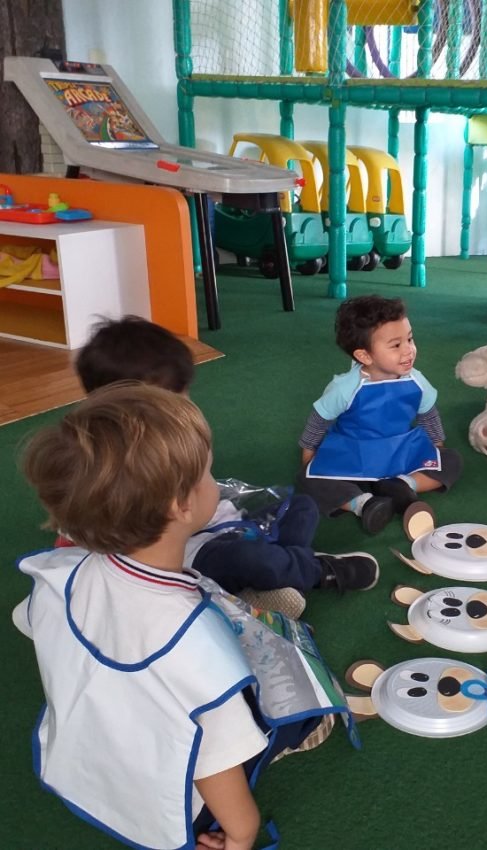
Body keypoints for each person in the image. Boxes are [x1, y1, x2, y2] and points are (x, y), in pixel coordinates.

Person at [15, 384, 329, 850]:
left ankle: (257, 607)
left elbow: (27, 620)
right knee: (291, 698)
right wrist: (241, 832)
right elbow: (214, 757)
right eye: (207, 474)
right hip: (160, 800)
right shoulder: (192, 641)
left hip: (78, 764)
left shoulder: (60, 572)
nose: (215, 481)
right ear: (180, 507)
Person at [73, 316, 379, 618]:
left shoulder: (175, 436)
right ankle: (311, 571)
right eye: (173, 400)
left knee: (303, 507)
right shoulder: (113, 465)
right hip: (191, 553)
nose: (187, 407)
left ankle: (279, 572)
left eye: (184, 394)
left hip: (221, 522)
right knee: (249, 559)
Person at [296, 294, 463, 534]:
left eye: (410, 338)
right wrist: (309, 457)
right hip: (352, 456)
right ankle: (364, 504)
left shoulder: (416, 380)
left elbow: (429, 415)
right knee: (307, 477)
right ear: (364, 355)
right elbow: (319, 419)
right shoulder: (345, 387)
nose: (409, 351)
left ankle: (402, 485)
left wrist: (437, 449)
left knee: (452, 459)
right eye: (396, 345)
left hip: (400, 455)